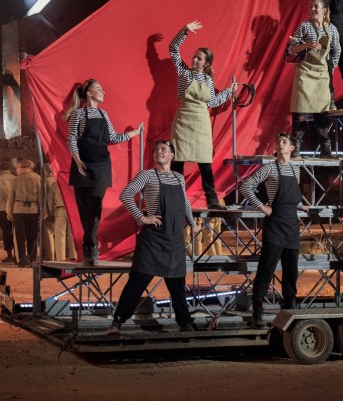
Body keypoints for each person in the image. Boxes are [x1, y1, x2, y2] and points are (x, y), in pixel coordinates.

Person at [105, 140, 198, 335]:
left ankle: (185, 323)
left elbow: (185, 202)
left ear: (172, 155)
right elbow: (126, 195)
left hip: (174, 239)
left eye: (163, 150)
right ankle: (118, 322)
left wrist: (192, 222)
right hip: (153, 238)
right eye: (156, 150)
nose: (159, 152)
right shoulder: (147, 175)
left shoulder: (179, 178)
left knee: (177, 285)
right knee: (137, 281)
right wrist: (142, 218)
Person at [64, 79, 140, 265]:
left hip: (101, 165)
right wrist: (78, 161)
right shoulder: (78, 114)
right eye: (98, 89)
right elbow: (72, 139)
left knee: (95, 207)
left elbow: (112, 138)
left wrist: (134, 133)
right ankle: (90, 249)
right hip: (82, 164)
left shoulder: (103, 114)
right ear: (89, 94)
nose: (103, 92)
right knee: (84, 210)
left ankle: (91, 246)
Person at [241, 133, 308, 326]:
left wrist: (300, 205)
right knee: (266, 269)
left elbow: (293, 196)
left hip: (291, 224)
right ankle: (257, 308)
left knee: (291, 270)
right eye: (277, 141)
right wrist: (262, 206)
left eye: (284, 142)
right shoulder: (269, 167)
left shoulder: (295, 169)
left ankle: (290, 306)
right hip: (275, 224)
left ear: (292, 148)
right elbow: (246, 186)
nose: (280, 144)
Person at [168, 22, 235, 209]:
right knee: (178, 162)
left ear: (206, 64)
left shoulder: (208, 80)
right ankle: (176, 200)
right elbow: (173, 48)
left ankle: (212, 200)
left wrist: (229, 92)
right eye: (195, 57)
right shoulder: (183, 71)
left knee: (205, 163)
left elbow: (212, 103)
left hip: (201, 122)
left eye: (199, 59)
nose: (195, 60)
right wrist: (184, 31)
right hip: (183, 119)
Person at [286, 0, 341, 156]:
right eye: (311, 6)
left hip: (322, 73)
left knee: (321, 111)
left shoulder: (331, 29)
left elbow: (337, 49)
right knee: (300, 112)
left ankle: (326, 149)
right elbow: (291, 49)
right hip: (305, 71)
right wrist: (307, 45)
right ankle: (295, 148)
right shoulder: (304, 26)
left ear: (324, 10)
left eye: (316, 6)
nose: (312, 8)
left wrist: (332, 68)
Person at [9, 159, 41, 266]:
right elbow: (41, 197)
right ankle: (32, 259)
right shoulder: (37, 178)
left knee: (20, 237)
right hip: (33, 209)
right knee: (32, 236)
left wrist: (9, 212)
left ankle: (22, 259)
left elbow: (11, 198)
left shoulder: (15, 180)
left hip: (18, 210)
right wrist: (42, 210)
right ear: (30, 167)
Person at [42, 163, 74, 263]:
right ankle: (74, 255)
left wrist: (51, 213)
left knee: (60, 234)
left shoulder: (55, 185)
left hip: (60, 210)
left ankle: (61, 257)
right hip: (72, 210)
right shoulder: (73, 185)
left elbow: (50, 201)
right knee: (71, 235)